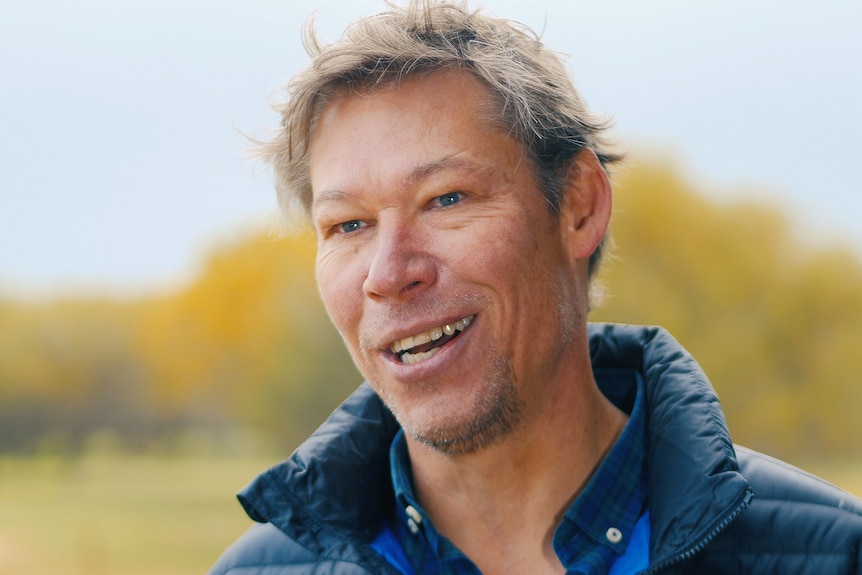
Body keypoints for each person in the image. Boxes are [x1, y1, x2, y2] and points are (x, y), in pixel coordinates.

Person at [210, 1, 862, 573]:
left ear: (578, 205)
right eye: (348, 224)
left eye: (446, 198)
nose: (388, 272)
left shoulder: (830, 556)